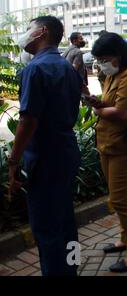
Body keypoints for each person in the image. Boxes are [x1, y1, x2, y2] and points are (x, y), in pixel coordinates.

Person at [9, 16, 82, 276]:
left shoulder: (35, 69)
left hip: (45, 156)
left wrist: (13, 161)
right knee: (65, 220)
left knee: (46, 228)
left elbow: (28, 121)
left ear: (42, 31)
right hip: (67, 151)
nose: (25, 34)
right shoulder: (68, 67)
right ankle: (71, 269)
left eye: (29, 29)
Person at [90, 33, 127, 273]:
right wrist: (99, 103)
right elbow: (110, 105)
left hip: (125, 148)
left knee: (121, 201)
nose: (102, 63)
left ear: (119, 55)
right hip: (110, 144)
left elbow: (122, 113)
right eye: (99, 59)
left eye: (105, 58)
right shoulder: (111, 76)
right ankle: (126, 240)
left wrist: (98, 111)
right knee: (124, 197)